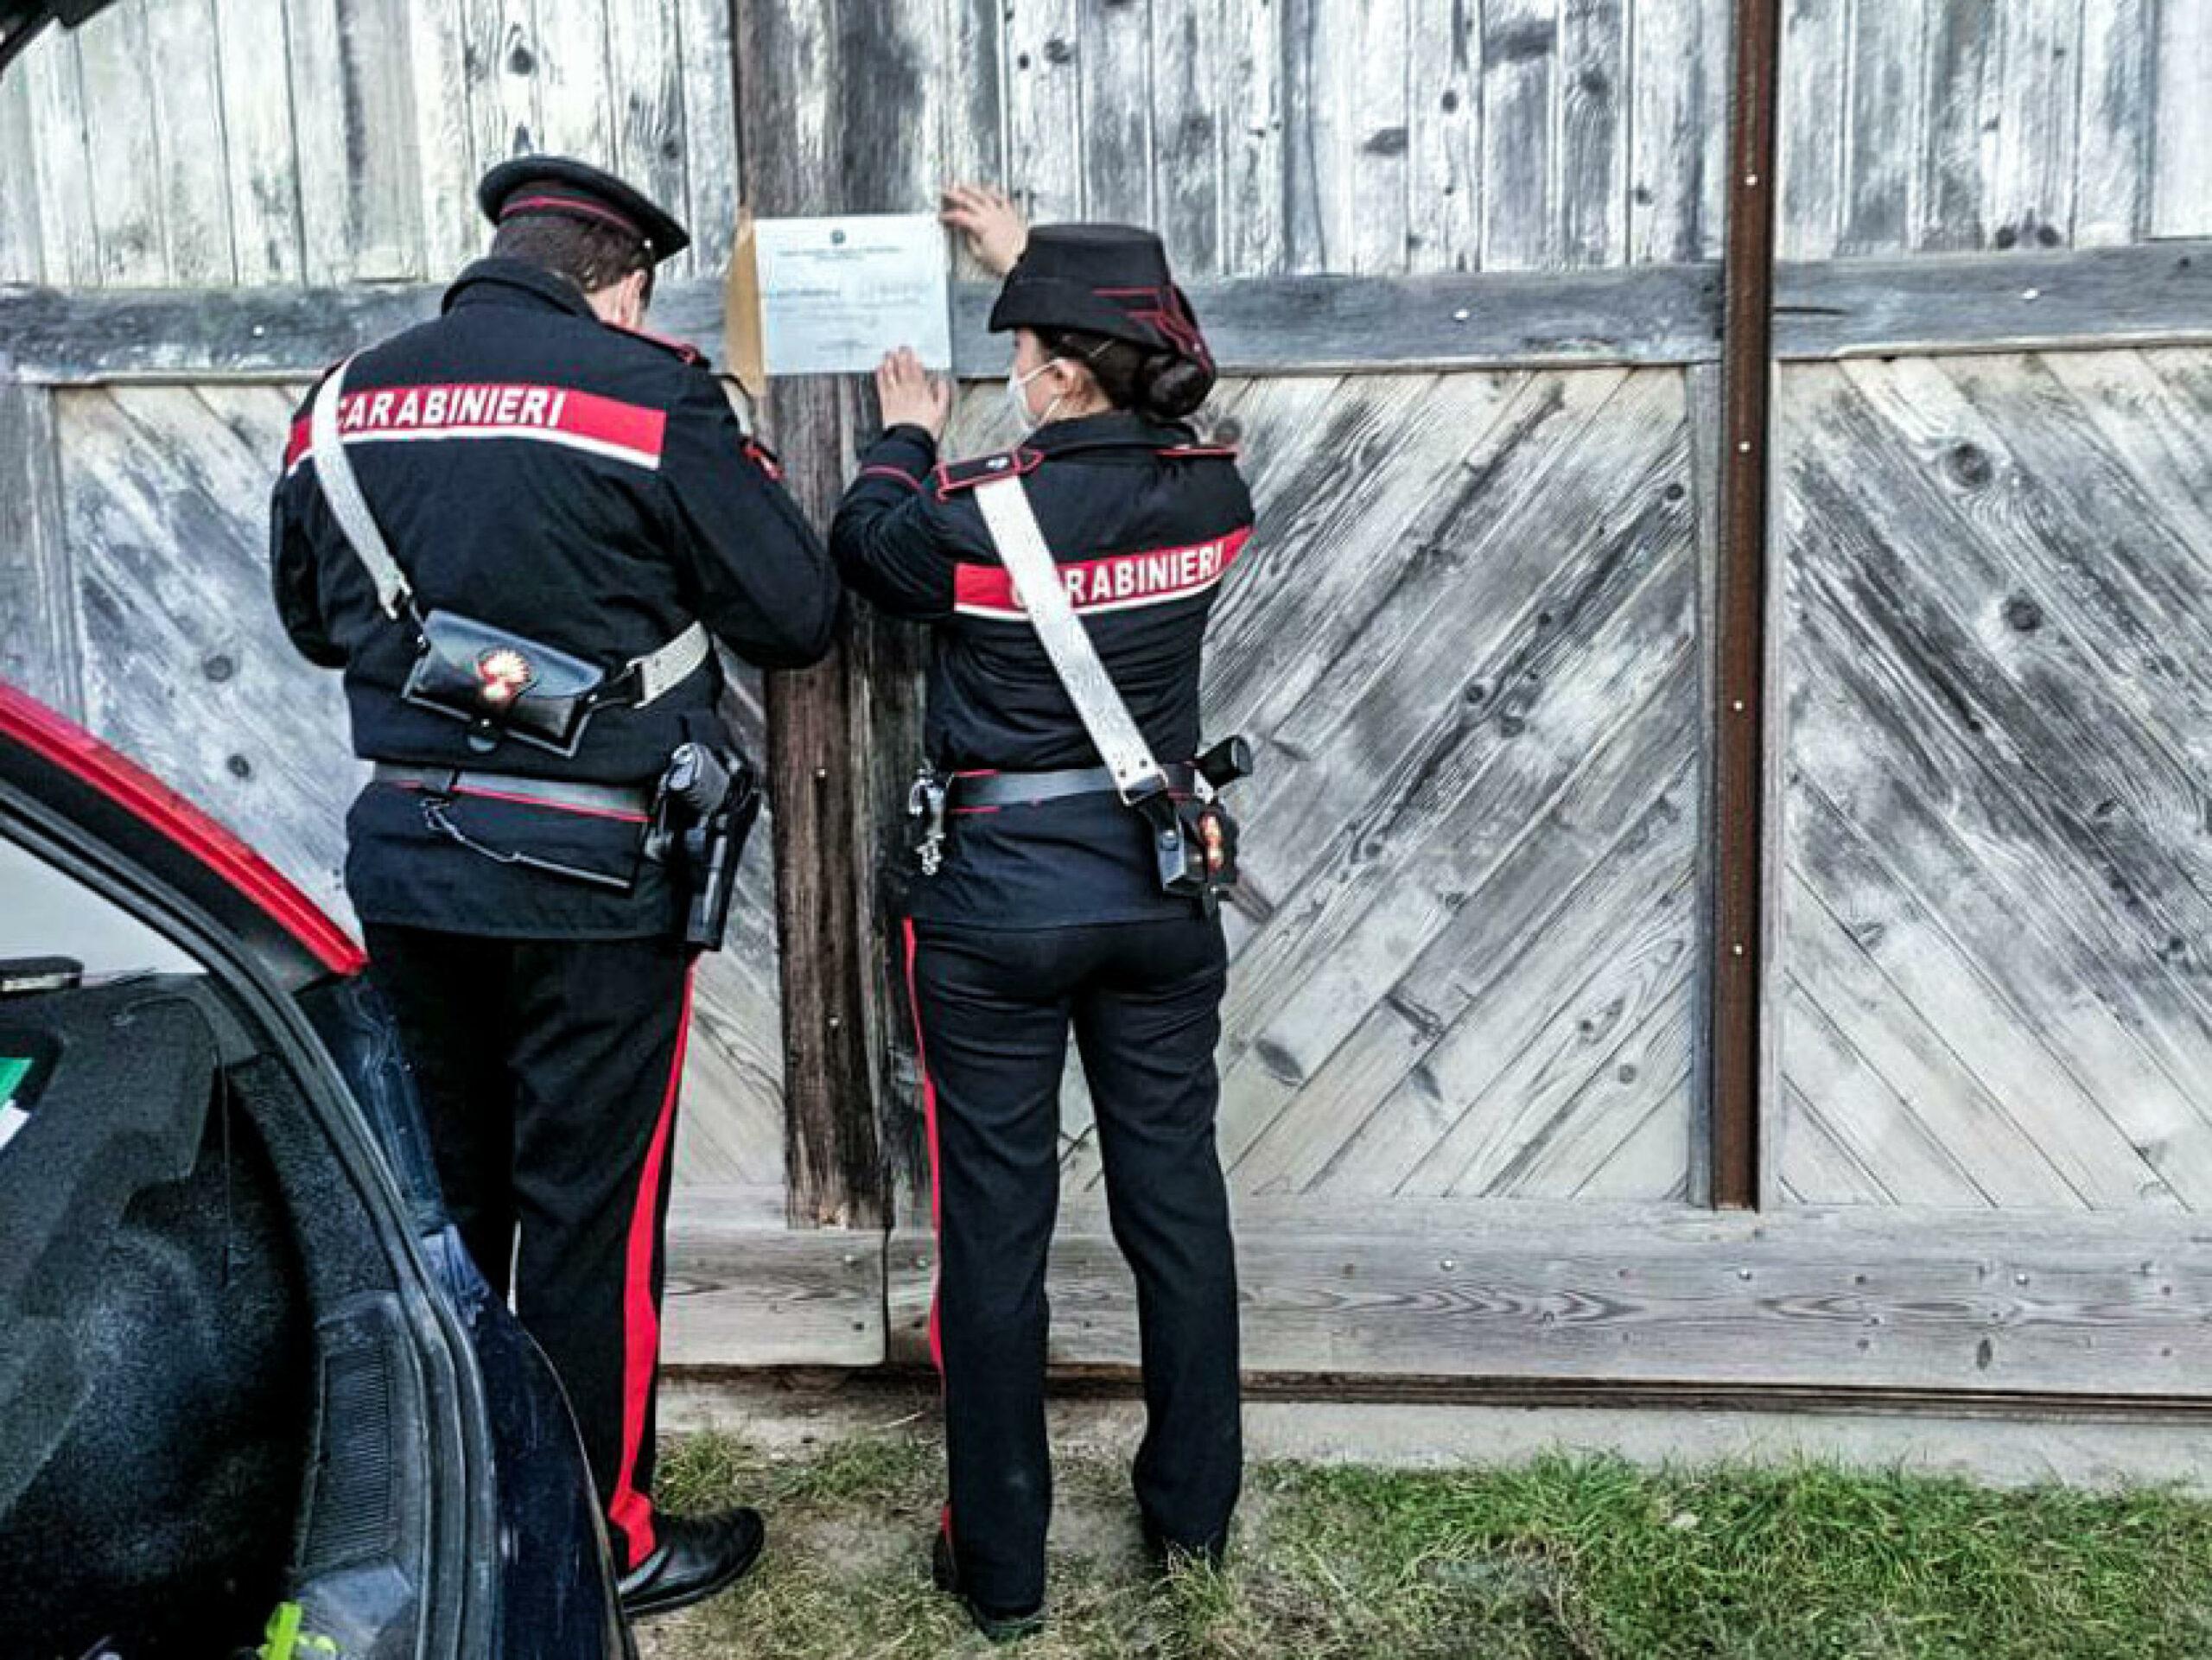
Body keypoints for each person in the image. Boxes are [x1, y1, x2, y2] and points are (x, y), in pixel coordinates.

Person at [268, 156, 840, 1620]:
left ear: (501, 254)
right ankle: (600, 1541)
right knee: (588, 1219)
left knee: (441, 1212)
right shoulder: (653, 397)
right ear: (623, 276)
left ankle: (444, 1522)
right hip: (599, 883)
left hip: (407, 865)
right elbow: (794, 612)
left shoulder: (339, 405)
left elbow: (315, 622)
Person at [831, 187, 1254, 1640]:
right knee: (1176, 1207)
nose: (1010, 367)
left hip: (997, 906)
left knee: (995, 1234)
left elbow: (864, 541)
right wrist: (1045, 271)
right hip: (1156, 888)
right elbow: (1169, 373)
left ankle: (1001, 1567)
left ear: (1059, 372)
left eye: (1028, 348)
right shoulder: (1217, 494)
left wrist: (903, 423)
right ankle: (1192, 1515)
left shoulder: (967, 515)